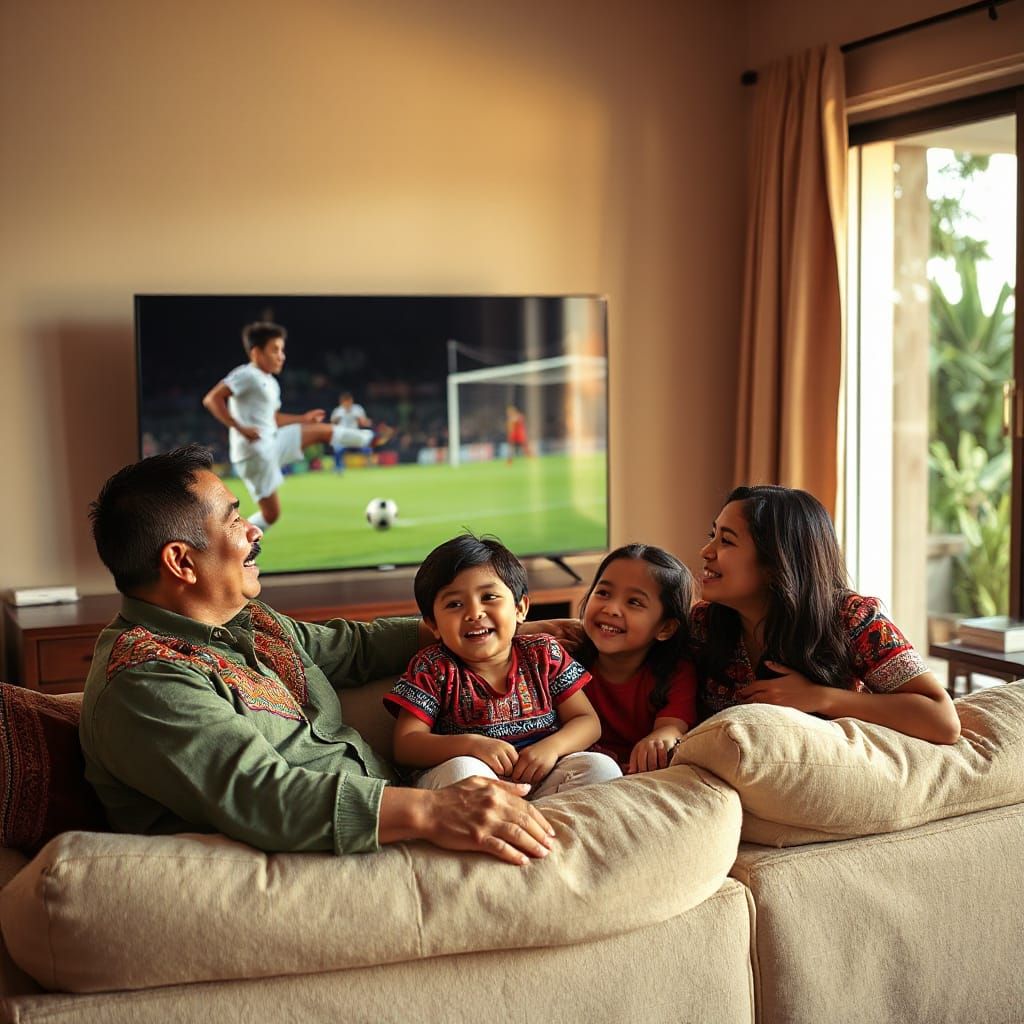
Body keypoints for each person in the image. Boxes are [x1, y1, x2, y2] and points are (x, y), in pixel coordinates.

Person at [80, 444, 566, 867]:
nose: (255, 532)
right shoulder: (145, 678)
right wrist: (434, 811)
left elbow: (355, 647)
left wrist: (512, 633)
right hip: (304, 861)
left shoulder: (249, 622)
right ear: (181, 562)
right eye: (233, 519)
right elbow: (265, 798)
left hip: (391, 817)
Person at [692, 484, 961, 744]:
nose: (705, 551)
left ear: (777, 561)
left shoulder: (850, 619)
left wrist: (820, 697)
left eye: (726, 541)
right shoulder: (701, 624)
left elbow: (942, 719)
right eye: (711, 536)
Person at [384, 533, 622, 795]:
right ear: (433, 625)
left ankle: (543, 825)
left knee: (602, 768)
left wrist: (551, 748)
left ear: (520, 609)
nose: (475, 613)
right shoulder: (432, 667)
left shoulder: (543, 653)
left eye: (489, 597)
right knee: (462, 771)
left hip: (543, 774)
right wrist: (472, 745)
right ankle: (503, 822)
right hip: (471, 783)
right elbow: (406, 745)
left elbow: (587, 721)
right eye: (455, 604)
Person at [201, 322, 384, 532]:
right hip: (255, 453)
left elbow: (273, 419)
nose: (281, 355)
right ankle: (230, 542)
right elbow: (212, 399)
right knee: (271, 514)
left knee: (321, 431)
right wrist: (240, 428)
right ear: (256, 352)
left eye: (282, 350)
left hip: (270, 443)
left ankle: (369, 438)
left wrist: (303, 419)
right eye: (275, 350)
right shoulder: (247, 374)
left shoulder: (270, 382)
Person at [576, 544, 698, 774]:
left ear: (665, 628)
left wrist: (659, 738)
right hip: (581, 770)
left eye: (634, 602)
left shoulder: (676, 672)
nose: (611, 608)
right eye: (603, 593)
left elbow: (672, 727)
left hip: (637, 774)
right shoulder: (564, 660)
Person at [328, 391, 392, 472]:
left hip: (355, 434)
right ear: (341, 402)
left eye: (348, 401)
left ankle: (370, 464)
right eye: (345, 401)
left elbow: (364, 423)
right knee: (337, 448)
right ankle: (338, 466)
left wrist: (362, 420)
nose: (347, 404)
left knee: (366, 445)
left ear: (351, 400)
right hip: (343, 436)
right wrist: (337, 419)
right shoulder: (338, 411)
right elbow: (332, 424)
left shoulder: (357, 409)